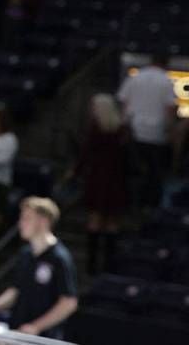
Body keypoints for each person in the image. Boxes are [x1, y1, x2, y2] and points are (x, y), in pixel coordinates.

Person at [0, 197, 78, 339]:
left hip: (43, 339)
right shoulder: (25, 254)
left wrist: (37, 326)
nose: (21, 223)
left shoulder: (59, 258)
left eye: (27, 218)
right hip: (16, 333)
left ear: (43, 221)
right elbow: (16, 290)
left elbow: (68, 303)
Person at [73, 93, 130, 274]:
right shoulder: (122, 129)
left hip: (99, 178)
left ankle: (92, 265)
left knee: (96, 219)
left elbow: (85, 153)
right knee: (112, 221)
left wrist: (76, 172)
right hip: (116, 178)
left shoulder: (96, 129)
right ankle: (108, 264)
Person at [118, 51, 177, 210]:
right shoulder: (166, 81)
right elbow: (170, 109)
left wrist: (123, 127)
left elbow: (123, 103)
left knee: (131, 172)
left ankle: (129, 203)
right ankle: (147, 206)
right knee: (153, 174)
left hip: (133, 131)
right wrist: (172, 132)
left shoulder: (135, 77)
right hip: (156, 135)